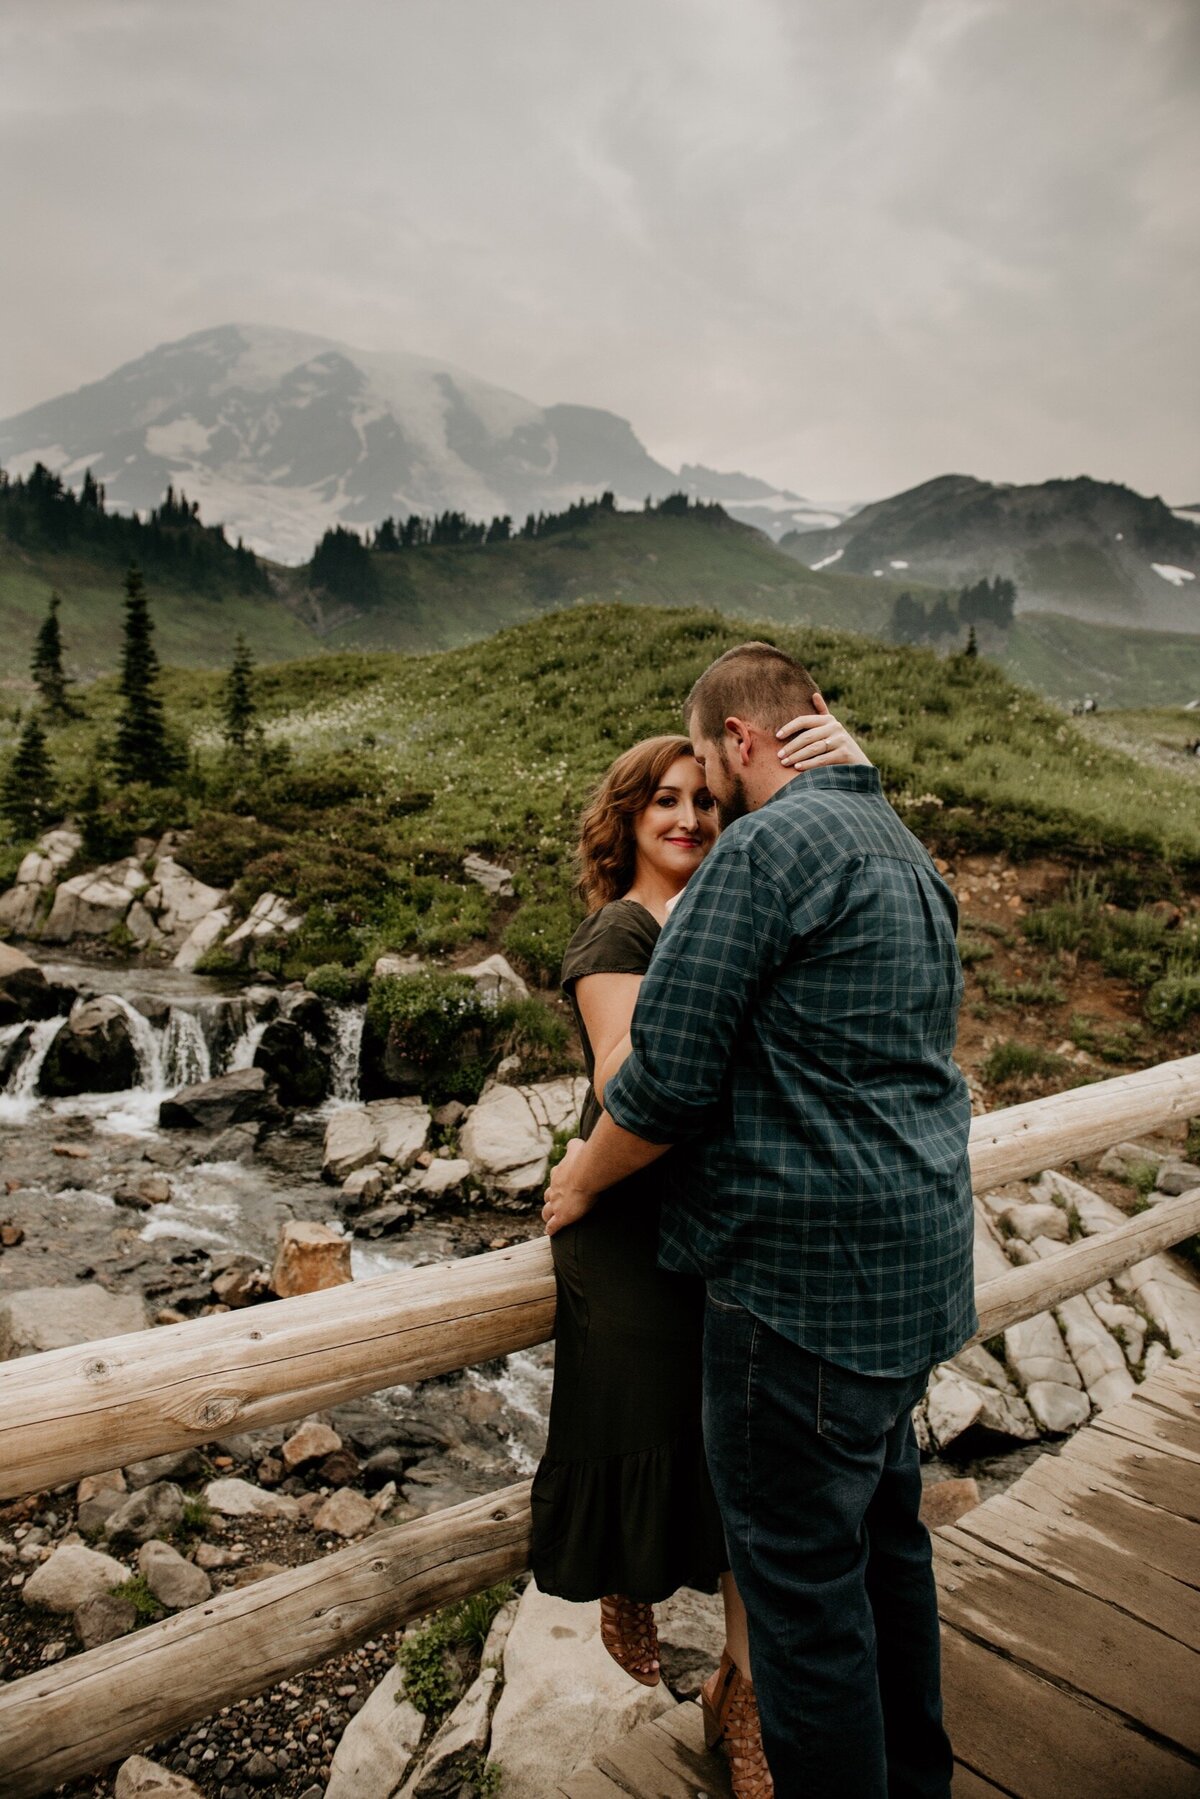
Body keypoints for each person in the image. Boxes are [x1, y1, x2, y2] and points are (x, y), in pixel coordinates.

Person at [544, 640, 975, 1799]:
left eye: (711, 769)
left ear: (741, 740)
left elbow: (665, 1080)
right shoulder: (901, 846)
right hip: (911, 1278)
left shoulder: (768, 849)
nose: (705, 800)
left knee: (803, 1611)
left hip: (797, 1291)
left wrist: (582, 1179)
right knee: (890, 1560)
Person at [531, 697, 869, 1799]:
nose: (687, 816)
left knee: (741, 1469)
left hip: (724, 1217)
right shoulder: (620, 932)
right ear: (625, 821)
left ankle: (742, 1692)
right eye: (663, 801)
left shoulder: (737, 916)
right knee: (645, 1407)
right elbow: (626, 1077)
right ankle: (631, 1569)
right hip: (628, 1218)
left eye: (704, 800)